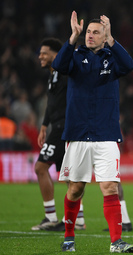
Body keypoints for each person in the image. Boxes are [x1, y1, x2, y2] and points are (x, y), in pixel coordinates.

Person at [51, 11, 133, 253]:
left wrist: (112, 38)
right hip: (78, 132)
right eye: (88, 32)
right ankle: (69, 237)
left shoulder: (112, 57)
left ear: (103, 37)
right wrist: (72, 38)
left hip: (107, 133)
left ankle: (116, 242)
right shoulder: (75, 55)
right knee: (76, 188)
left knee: (109, 187)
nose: (90, 35)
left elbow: (129, 65)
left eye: (95, 32)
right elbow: (58, 66)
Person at [31, 38, 86, 231]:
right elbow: (51, 103)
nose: (40, 56)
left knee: (40, 168)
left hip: (65, 127)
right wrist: (45, 125)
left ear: (56, 55)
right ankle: (78, 219)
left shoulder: (65, 74)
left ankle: (51, 216)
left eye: (44, 53)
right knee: (68, 175)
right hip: (57, 127)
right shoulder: (53, 76)